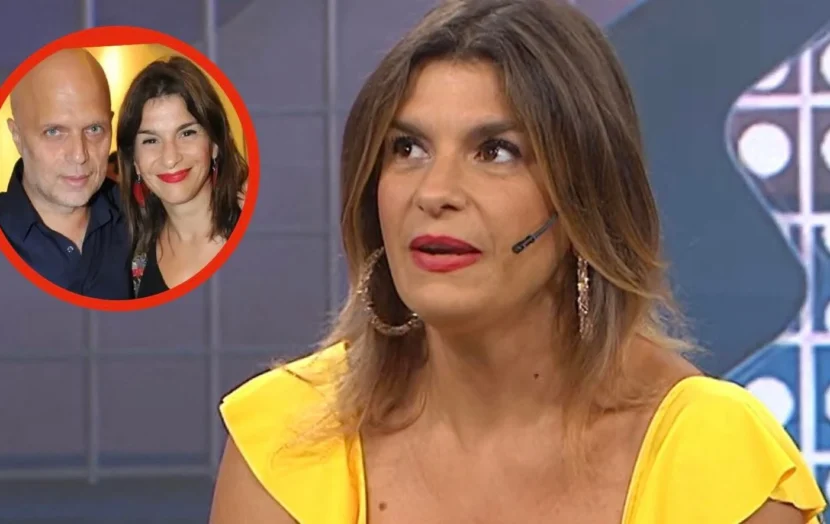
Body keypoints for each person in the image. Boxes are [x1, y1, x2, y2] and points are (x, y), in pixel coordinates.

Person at [210, 1, 827, 523]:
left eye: (496, 151)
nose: (434, 192)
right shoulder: (287, 444)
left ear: (585, 199)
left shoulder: (716, 467)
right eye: (408, 148)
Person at [0, 49, 131, 299]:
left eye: (94, 129)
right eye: (54, 132)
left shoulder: (141, 219)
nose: (79, 155)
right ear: (17, 136)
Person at [116, 56, 248, 298]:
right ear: (134, 161)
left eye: (187, 133)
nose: (170, 158)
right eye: (151, 140)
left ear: (214, 145)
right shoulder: (133, 255)